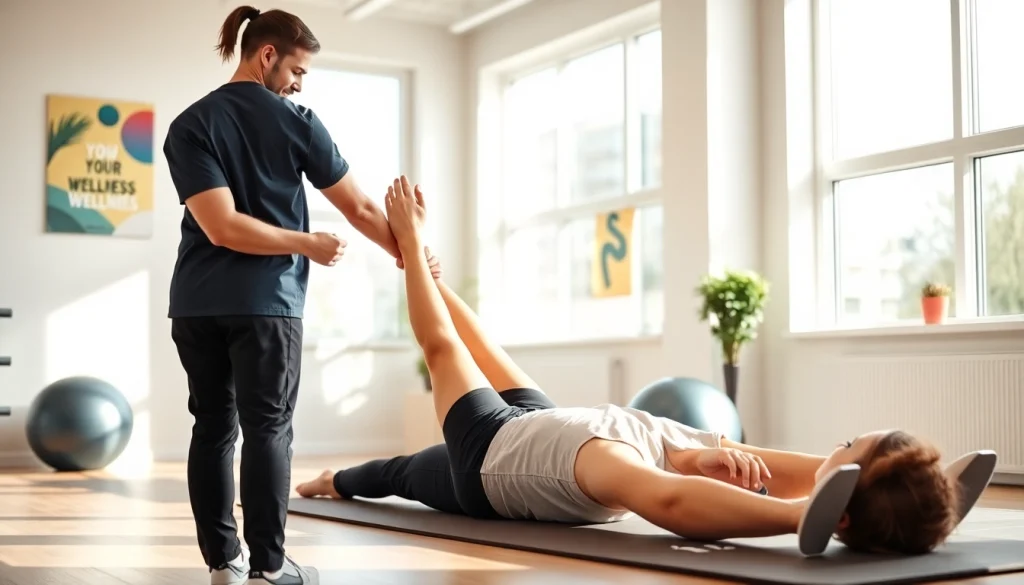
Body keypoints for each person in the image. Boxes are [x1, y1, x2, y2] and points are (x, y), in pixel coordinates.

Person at [297, 176, 997, 558]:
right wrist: (416, 263)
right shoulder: (741, 463)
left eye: (850, 446)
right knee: (486, 347)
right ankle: (915, 498)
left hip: (494, 458)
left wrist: (789, 515)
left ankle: (335, 476)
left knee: (427, 402)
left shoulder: (614, 474)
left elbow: (664, 504)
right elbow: (749, 474)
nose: (837, 444)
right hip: (554, 426)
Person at [163, 7, 437, 585]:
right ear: (267, 55)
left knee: (212, 428)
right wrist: (323, 244)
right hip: (265, 304)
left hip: (195, 302)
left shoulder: (189, 124)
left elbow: (214, 225)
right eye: (297, 70)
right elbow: (354, 210)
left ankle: (223, 564)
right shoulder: (296, 120)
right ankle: (269, 567)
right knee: (268, 429)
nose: (298, 83)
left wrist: (406, 252)